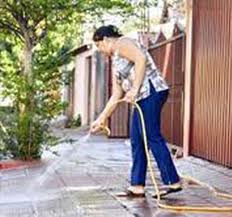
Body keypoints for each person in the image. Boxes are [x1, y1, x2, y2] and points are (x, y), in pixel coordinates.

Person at [90, 25, 182, 198]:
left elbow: (140, 59)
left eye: (99, 46)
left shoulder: (122, 43)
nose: (100, 50)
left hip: (152, 91)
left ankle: (172, 181)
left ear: (106, 40)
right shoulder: (115, 61)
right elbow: (116, 94)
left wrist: (134, 89)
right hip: (142, 97)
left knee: (151, 136)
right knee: (137, 139)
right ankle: (137, 185)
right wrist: (101, 118)